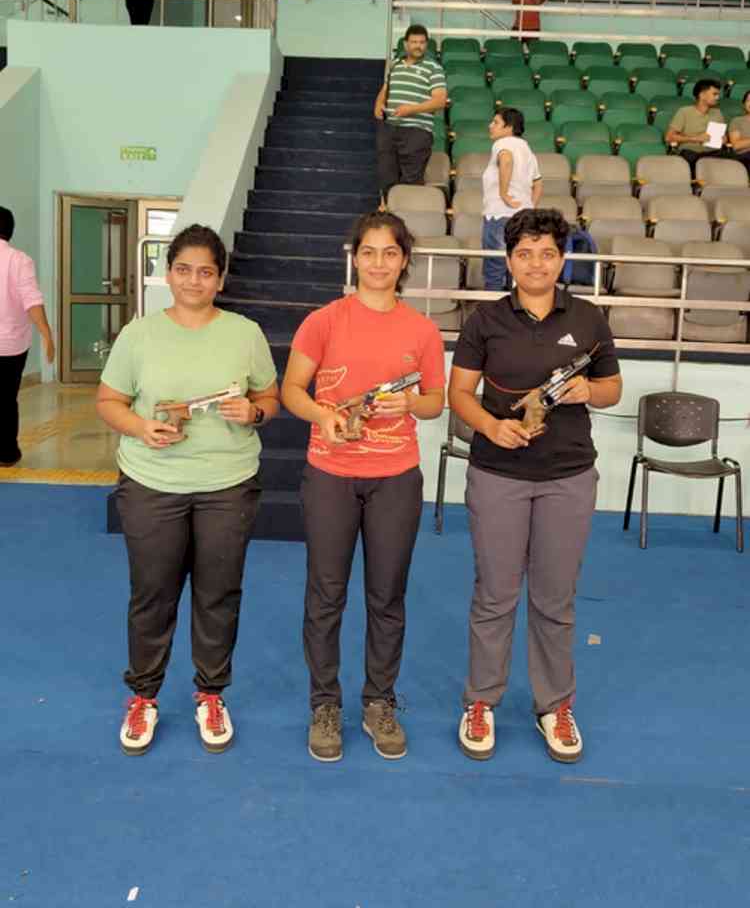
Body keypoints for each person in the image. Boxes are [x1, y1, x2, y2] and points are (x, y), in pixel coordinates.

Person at [95, 224, 280, 757]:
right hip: (153, 483)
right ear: (168, 274)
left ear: (220, 278)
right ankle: (143, 696)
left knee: (218, 594)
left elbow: (268, 397)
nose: (194, 280)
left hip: (229, 484)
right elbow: (109, 401)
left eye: (205, 271)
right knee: (152, 594)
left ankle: (211, 693)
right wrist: (139, 427)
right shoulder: (139, 335)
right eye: (183, 269)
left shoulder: (244, 333)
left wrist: (255, 411)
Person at [448, 208, 622, 765]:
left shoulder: (590, 318)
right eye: (524, 253)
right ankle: (481, 701)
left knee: (554, 600)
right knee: (494, 596)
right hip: (497, 475)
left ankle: (554, 704)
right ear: (509, 261)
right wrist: (491, 426)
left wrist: (584, 394)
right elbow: (458, 396)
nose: (536, 263)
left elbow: (613, 388)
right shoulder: (484, 321)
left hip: (567, 477)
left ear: (562, 259)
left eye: (547, 253)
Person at [281, 211, 445, 764]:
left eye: (390, 253)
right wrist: (322, 416)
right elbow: (292, 390)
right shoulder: (323, 321)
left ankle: (379, 701)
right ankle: (324, 704)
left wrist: (410, 403)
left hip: (395, 478)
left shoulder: (421, 331)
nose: (378, 263)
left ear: (404, 261)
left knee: (387, 597)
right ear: (356, 257)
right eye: (369, 252)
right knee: (326, 595)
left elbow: (434, 402)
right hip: (330, 475)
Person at [0, 205, 55, 467]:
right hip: (10, 345)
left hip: (10, 343)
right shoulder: (19, 260)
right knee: (6, 398)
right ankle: (7, 453)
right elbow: (31, 300)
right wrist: (47, 334)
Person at [374, 24, 447, 207]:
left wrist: (411, 110)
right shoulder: (396, 65)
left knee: (411, 181)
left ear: (427, 45)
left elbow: (440, 101)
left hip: (417, 131)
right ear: (406, 44)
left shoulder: (434, 68)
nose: (418, 46)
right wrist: (378, 103)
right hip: (390, 128)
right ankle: (390, 219)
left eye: (422, 42)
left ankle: (405, 223)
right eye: (414, 42)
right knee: (386, 177)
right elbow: (386, 88)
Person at [481, 108, 543, 292]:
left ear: (509, 127)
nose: (490, 126)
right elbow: (538, 183)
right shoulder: (527, 149)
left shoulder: (503, 143)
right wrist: (529, 207)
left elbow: (506, 160)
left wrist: (503, 193)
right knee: (515, 270)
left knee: (494, 269)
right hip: (522, 216)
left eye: (496, 122)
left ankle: (492, 315)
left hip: (500, 214)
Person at [665, 78, 726, 174]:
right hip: (691, 152)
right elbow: (669, 137)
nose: (717, 97)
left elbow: (723, 137)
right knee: (692, 159)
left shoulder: (718, 113)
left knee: (732, 159)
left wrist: (723, 140)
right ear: (702, 95)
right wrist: (696, 138)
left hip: (713, 152)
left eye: (718, 94)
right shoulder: (684, 112)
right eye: (714, 94)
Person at [727, 89, 750, 173]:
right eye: (748, 100)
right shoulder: (737, 121)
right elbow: (736, 145)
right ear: (744, 104)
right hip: (745, 157)